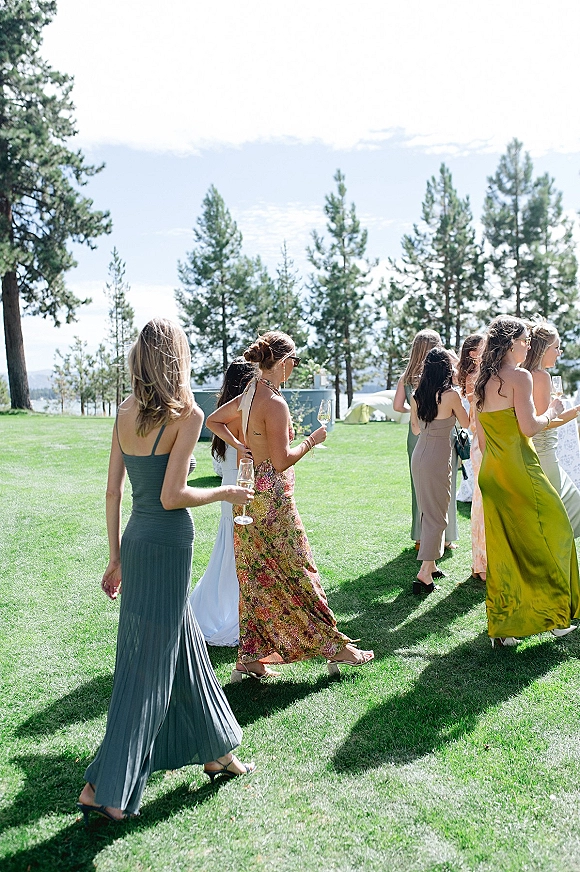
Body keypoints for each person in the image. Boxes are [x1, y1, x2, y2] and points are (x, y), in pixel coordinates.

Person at [77, 319, 255, 824]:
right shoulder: (188, 414)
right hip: (169, 543)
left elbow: (113, 493)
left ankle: (216, 750)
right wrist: (225, 492)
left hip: (136, 542)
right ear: (176, 358)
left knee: (183, 644)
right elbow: (172, 496)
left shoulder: (124, 413)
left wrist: (115, 557)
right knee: (145, 670)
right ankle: (103, 788)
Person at [207, 330, 374, 679]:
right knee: (301, 570)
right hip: (273, 500)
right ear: (282, 363)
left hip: (248, 498)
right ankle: (336, 648)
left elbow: (214, 422)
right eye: (294, 363)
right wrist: (313, 440)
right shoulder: (276, 403)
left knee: (256, 577)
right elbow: (282, 461)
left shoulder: (250, 393)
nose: (294, 369)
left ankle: (249, 659)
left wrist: (240, 446)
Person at [474, 315, 580, 647]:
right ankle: (555, 618)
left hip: (492, 473)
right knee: (555, 535)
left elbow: (479, 440)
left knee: (506, 552)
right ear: (510, 343)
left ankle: (505, 630)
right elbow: (530, 428)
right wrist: (554, 411)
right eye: (524, 341)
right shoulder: (520, 377)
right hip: (522, 470)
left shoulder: (482, 381)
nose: (527, 346)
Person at [190, 358, 259, 645]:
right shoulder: (242, 411)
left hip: (228, 483)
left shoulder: (226, 413)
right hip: (240, 485)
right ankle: (235, 615)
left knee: (227, 551)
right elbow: (248, 458)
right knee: (238, 553)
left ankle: (218, 610)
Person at [410, 348, 469, 593]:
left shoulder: (417, 394)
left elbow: (415, 429)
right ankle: (424, 573)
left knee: (429, 510)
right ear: (446, 368)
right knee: (438, 515)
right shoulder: (451, 395)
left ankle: (431, 565)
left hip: (420, 454)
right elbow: (467, 423)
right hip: (438, 456)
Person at [393, 329, 459, 550]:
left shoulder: (408, 376)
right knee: (444, 486)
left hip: (417, 435)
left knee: (419, 487)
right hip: (441, 434)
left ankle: (421, 537)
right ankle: (446, 537)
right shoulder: (443, 376)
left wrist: (418, 413)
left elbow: (396, 406)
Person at [522, 321, 580, 536]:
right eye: (556, 347)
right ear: (543, 349)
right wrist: (573, 411)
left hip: (533, 454)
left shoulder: (523, 374)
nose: (559, 352)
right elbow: (543, 424)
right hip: (545, 454)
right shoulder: (541, 377)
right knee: (560, 517)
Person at [457, 333, 487, 580]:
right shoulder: (473, 379)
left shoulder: (487, 375)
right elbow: (473, 422)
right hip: (480, 442)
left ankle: (484, 560)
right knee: (480, 501)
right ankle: (481, 561)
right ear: (472, 354)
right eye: (482, 347)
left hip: (486, 440)